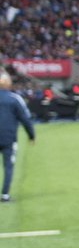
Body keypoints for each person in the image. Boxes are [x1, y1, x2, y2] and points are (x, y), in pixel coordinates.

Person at [0, 72, 36, 202]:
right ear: (9, 84)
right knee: (8, 166)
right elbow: (25, 119)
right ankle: (5, 194)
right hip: (9, 138)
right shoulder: (14, 99)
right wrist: (31, 135)